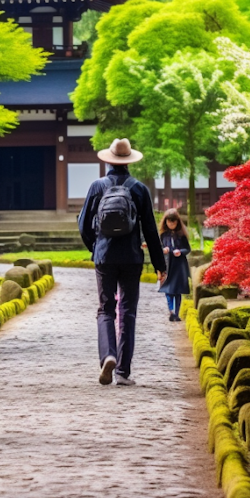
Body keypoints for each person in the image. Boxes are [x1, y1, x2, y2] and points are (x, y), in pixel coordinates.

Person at [78, 137, 167, 387]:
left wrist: (94, 248)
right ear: (129, 162)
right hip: (131, 258)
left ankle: (108, 355)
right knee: (127, 310)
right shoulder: (139, 189)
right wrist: (161, 266)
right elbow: (150, 230)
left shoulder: (97, 186)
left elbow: (83, 224)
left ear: (108, 161)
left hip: (104, 257)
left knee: (106, 309)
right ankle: (123, 372)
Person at [159, 208, 191, 321]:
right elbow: (158, 249)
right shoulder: (163, 235)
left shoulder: (181, 235)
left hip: (179, 265)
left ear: (177, 222)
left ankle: (176, 314)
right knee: (167, 289)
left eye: (173, 221)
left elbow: (187, 249)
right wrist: (164, 250)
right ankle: (171, 310)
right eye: (169, 221)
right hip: (168, 264)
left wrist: (180, 251)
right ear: (166, 222)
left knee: (177, 291)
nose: (171, 224)